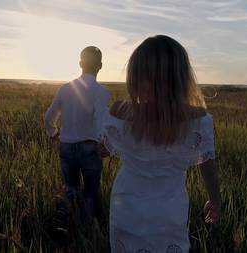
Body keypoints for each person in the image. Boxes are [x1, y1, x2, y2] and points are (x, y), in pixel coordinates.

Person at [99, 35, 221, 252]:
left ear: (135, 76)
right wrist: (215, 200)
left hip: (126, 203)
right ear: (182, 78)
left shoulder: (119, 111)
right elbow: (207, 163)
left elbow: (103, 151)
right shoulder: (197, 118)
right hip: (170, 206)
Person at [44, 46, 111, 221]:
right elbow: (101, 120)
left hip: (66, 146)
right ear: (101, 66)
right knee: (90, 193)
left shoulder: (65, 88)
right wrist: (103, 143)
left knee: (70, 189)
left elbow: (49, 116)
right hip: (90, 148)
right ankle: (86, 230)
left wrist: (53, 132)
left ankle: (66, 225)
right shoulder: (101, 92)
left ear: (80, 63)